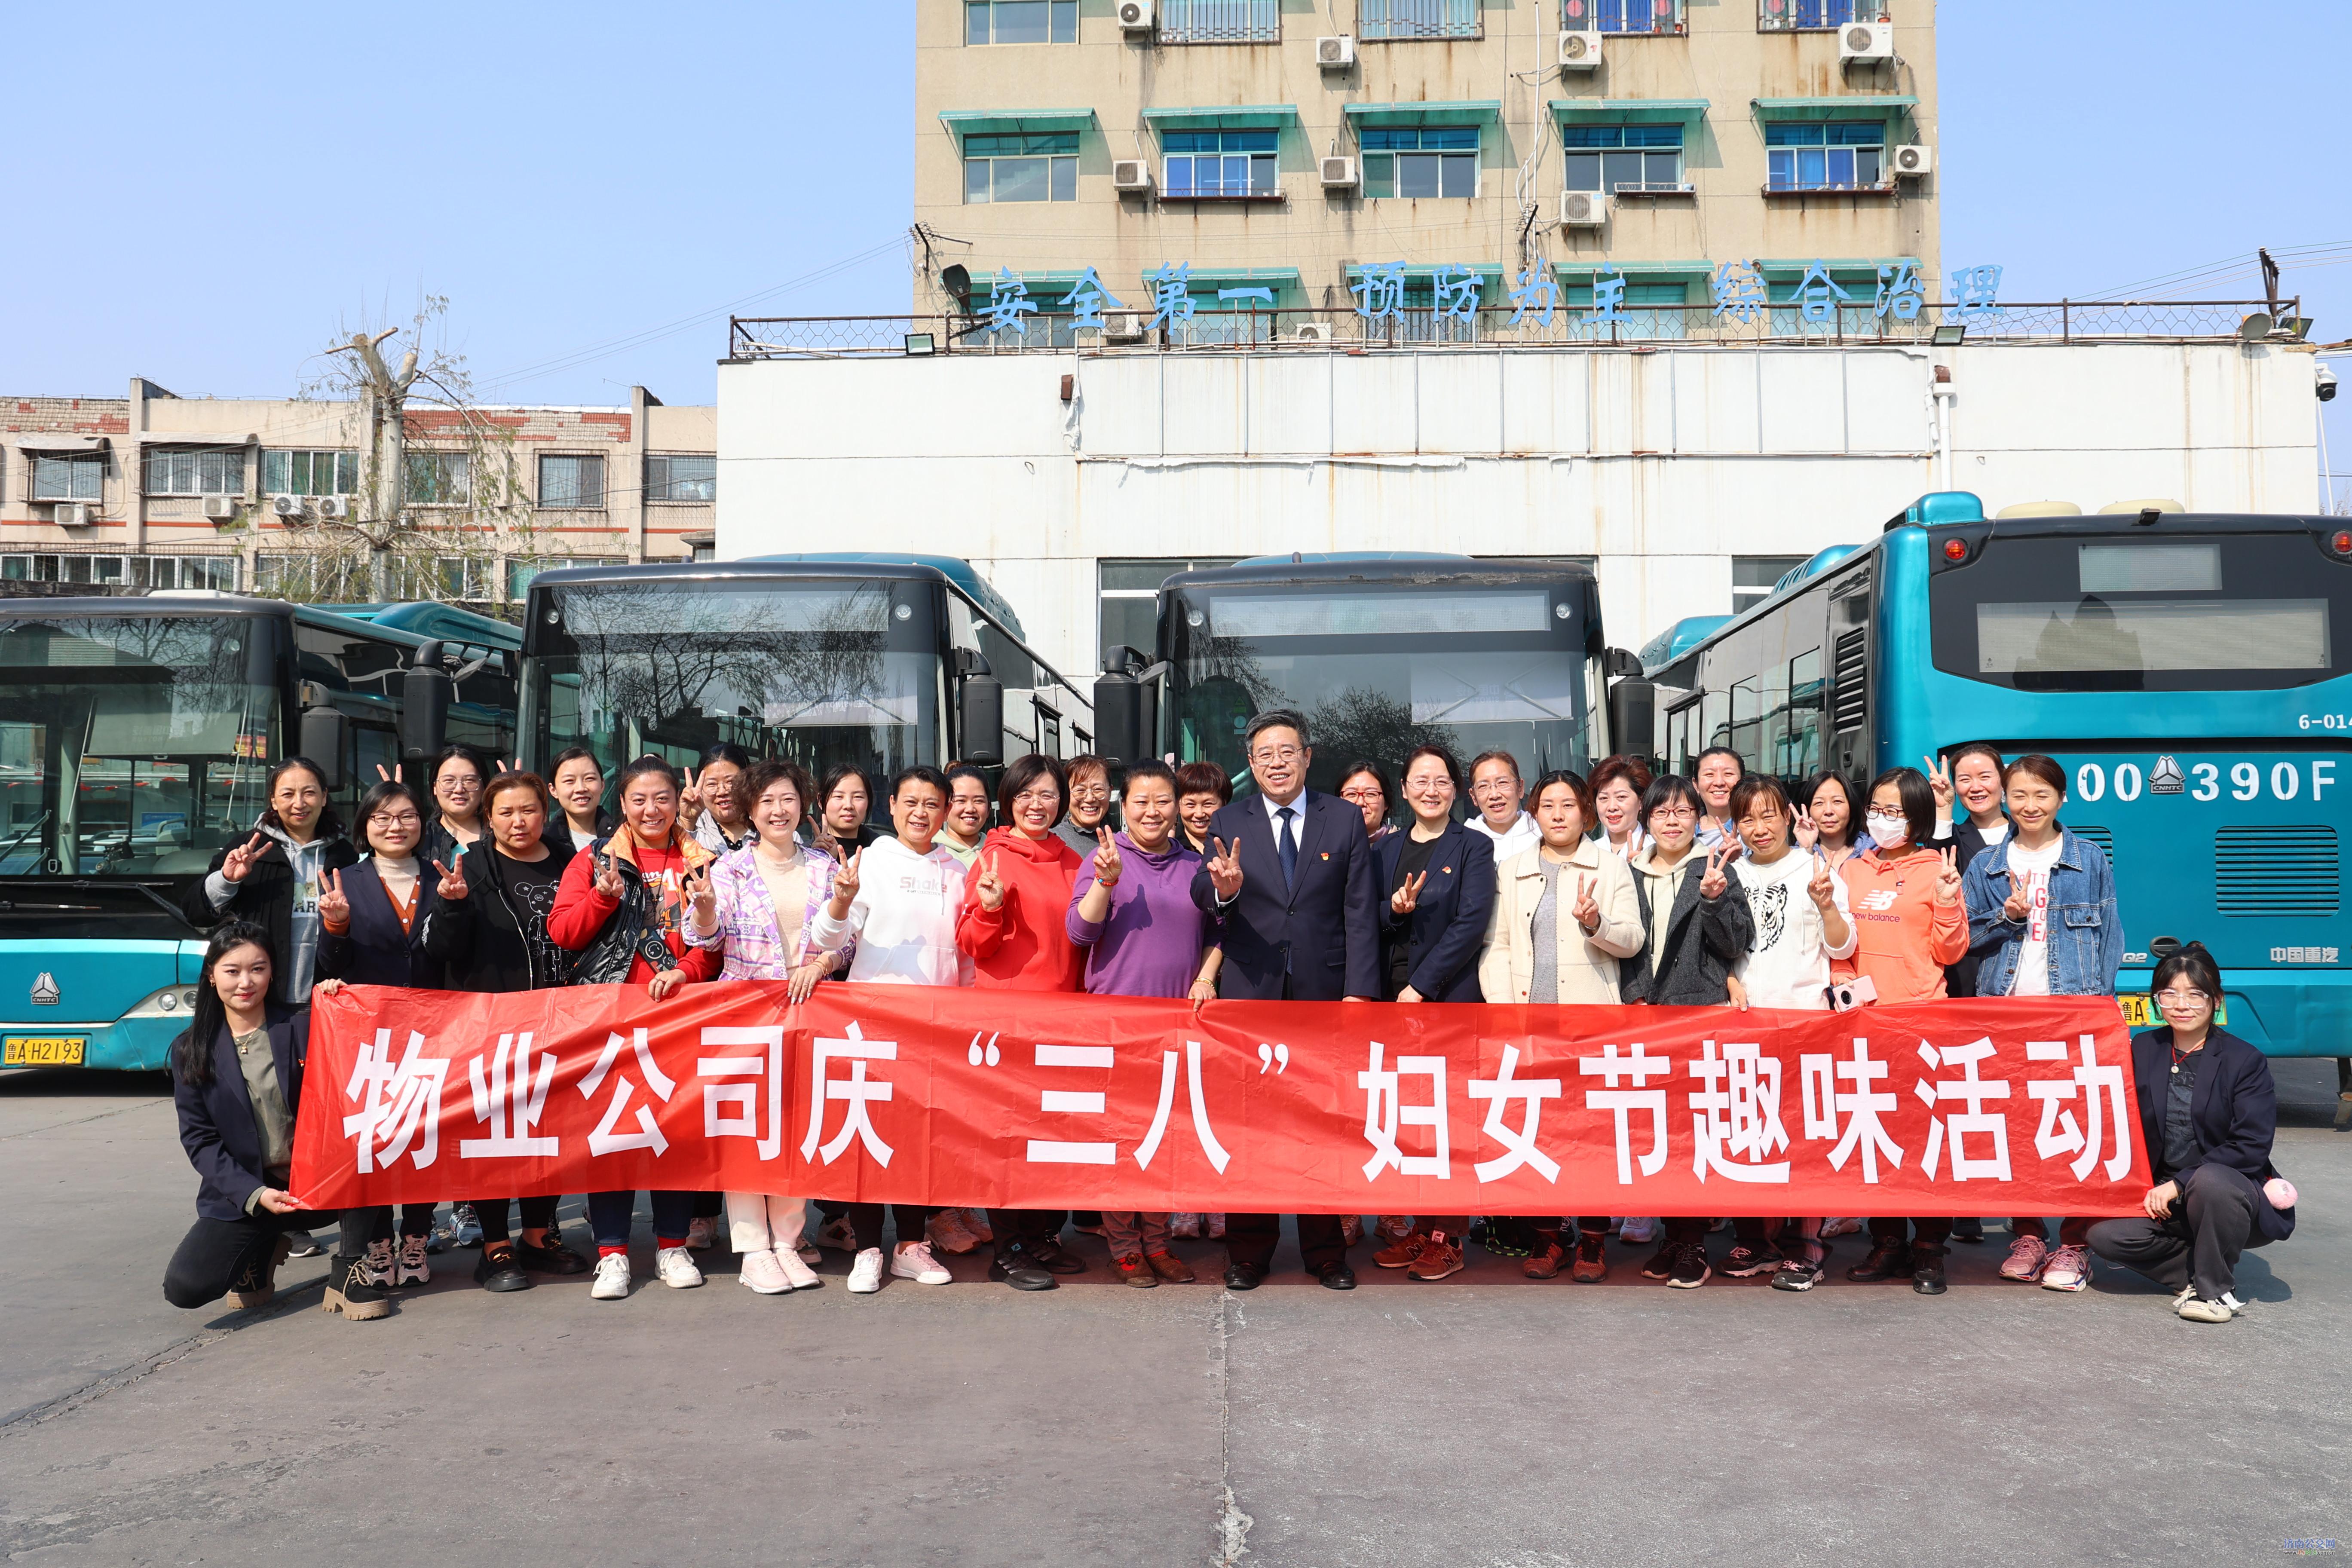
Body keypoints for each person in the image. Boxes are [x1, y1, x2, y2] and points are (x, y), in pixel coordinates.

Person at [1192, 710, 1380, 1292]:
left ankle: (1325, 1252)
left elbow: (1360, 911)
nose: (1277, 763)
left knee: (1322, 1121)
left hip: (1325, 993)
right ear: (1252, 765)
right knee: (1251, 1122)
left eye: (1287, 752)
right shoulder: (1230, 818)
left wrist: (1358, 991)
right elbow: (1203, 888)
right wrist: (1223, 891)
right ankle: (1249, 1252)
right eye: (1265, 755)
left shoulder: (1342, 818)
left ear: (1307, 756)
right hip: (1253, 991)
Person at [547, 756, 722, 1302]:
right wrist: (602, 897)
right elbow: (563, 933)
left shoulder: (703, 861)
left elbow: (721, 942)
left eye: (662, 798)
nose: (652, 810)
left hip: (680, 1018)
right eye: (639, 800)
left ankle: (672, 1246)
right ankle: (613, 1254)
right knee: (613, 1137)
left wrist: (686, 970)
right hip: (613, 1022)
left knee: (676, 1135)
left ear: (678, 802)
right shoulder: (594, 860)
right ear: (621, 804)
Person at [162, 923, 392, 1322]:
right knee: (186, 1288)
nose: (246, 982)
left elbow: (365, 1058)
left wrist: (341, 1001)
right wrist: (254, 1194)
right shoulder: (190, 1049)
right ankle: (261, 1248)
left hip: (321, 1182)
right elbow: (200, 1141)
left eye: (258, 969)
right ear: (211, 975)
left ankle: (349, 1268)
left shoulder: (305, 1023)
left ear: (272, 973)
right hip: (250, 1193)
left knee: (364, 1142)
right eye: (233, 971)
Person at [420, 771, 590, 1290]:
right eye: (506, 813)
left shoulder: (571, 861)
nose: (520, 821)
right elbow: (440, 949)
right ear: (488, 819)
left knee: (548, 1133)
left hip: (561, 1023)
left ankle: (538, 1236)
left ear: (546, 812)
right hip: (492, 1027)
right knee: (493, 1137)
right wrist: (451, 905)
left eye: (529, 810)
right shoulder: (470, 866)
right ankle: (495, 1245)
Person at [1961, 753, 2124, 1292]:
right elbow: (1963, 940)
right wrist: (2006, 915)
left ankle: (2075, 1244)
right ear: (2005, 799)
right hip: (2005, 1015)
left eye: (2042, 795)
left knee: (2079, 1129)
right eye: (2020, 795)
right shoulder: (1985, 866)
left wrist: (2100, 1012)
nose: (2030, 806)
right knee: (2019, 1131)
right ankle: (2029, 1235)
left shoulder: (2089, 859)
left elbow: (2110, 939)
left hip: (2071, 1016)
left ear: (2061, 799)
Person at [807, 764, 971, 1293]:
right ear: (893, 807)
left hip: (935, 1029)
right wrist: (841, 897)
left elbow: (966, 957)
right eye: (911, 803)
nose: (921, 813)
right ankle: (868, 1249)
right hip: (872, 1024)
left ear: (945, 812)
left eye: (932, 804)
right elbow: (828, 937)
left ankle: (910, 1247)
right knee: (868, 1138)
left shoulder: (957, 871)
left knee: (919, 1141)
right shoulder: (871, 861)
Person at [1476, 768, 1642, 1283]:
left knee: (1592, 1136)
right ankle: (1548, 1236)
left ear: (1585, 812)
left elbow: (1633, 940)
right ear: (1534, 813)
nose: (1558, 815)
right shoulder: (1513, 869)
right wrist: (1504, 1011)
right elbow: (1497, 945)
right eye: (1548, 806)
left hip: (1591, 1026)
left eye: (1568, 805)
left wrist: (1596, 923)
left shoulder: (1610, 867)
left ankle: (1592, 1240)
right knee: (1539, 1133)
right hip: (1530, 1026)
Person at [683, 759, 842, 1295]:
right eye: (767, 801)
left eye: (788, 799)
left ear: (803, 804)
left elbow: (845, 940)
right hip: (746, 1014)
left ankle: (788, 1242)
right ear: (750, 811)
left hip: (809, 1013)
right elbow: (706, 939)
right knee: (748, 1132)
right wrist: (705, 910)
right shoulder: (728, 869)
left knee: (798, 1128)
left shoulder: (824, 866)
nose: (778, 810)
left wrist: (822, 963)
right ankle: (754, 1249)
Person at [1065, 761, 1222, 1287]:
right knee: (1123, 1138)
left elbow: (1219, 932)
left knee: (1165, 1138)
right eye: (1141, 802)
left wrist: (1206, 977)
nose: (1152, 812)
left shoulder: (1194, 865)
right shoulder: (1105, 857)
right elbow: (1080, 932)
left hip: (1179, 1025)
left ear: (1176, 806)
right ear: (1123, 806)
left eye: (1162, 801)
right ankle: (1124, 1247)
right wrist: (1105, 882)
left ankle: (1158, 1242)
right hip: (1117, 1026)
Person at [2088, 945, 2296, 1323]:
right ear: (2156, 1000)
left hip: (2227, 1196)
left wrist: (2180, 1183)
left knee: (2211, 1180)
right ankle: (2194, 1273)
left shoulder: (2244, 1060)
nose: (2181, 1005)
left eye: (2195, 994)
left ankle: (2214, 1292)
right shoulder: (2143, 1049)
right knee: (2104, 1235)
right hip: (2163, 1200)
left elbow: (2251, 1146)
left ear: (2216, 1000)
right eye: (2169, 994)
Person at [957, 754, 1094, 1289]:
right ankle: (1009, 1248)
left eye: (1048, 794)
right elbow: (972, 944)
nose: (1038, 805)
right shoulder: (994, 857)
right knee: (1009, 1136)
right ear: (1008, 801)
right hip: (1009, 1019)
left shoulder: (1072, 859)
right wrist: (990, 909)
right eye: (1025, 795)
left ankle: (1039, 1236)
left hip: (1064, 1017)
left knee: (1052, 1133)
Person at [1718, 776, 1855, 1291]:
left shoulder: (1815, 869)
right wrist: (1729, 979)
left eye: (1768, 815)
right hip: (1744, 1026)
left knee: (1803, 1137)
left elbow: (1842, 947)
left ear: (1787, 817)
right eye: (1747, 818)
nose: (1759, 828)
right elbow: (1719, 947)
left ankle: (1807, 1250)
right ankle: (1757, 1240)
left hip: (1804, 1026)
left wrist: (1827, 906)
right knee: (1748, 1133)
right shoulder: (1731, 873)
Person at [1365, 746, 1494, 1283]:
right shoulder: (1384, 850)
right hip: (1391, 1002)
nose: (1431, 790)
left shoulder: (1474, 846)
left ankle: (1450, 1237)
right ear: (1404, 789)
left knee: (1451, 1122)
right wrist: (1393, 911)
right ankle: (1421, 1226)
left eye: (1441, 781)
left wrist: (1422, 986)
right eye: (1420, 781)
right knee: (1411, 1122)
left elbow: (1471, 923)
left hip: (1447, 1001)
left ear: (1456, 790)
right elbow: (1368, 916)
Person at [1838, 766, 1970, 1295]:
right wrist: (1842, 981)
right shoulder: (1853, 870)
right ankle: (1887, 1241)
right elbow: (1837, 942)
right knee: (1877, 1136)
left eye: (1894, 810)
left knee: (1925, 1141)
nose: (1882, 818)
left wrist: (1947, 901)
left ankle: (1930, 1249)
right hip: (1862, 1024)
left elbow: (1951, 953)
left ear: (1916, 817)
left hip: (1921, 1022)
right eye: (1876, 808)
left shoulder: (1936, 869)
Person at [1620, 775, 1755, 1288]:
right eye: (1661, 812)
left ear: (1698, 818)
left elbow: (1737, 943)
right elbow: (1623, 948)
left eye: (1682, 812)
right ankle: (1673, 1237)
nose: (1671, 821)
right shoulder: (1629, 872)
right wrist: (1634, 996)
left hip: (1697, 1016)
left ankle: (1694, 1243)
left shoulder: (1714, 866)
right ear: (1646, 819)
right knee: (1655, 1133)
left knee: (1692, 1134)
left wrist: (1715, 901)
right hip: (1643, 1017)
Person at [313, 780, 442, 1288]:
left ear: (421, 823)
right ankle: (379, 1242)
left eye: (406, 816)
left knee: (425, 1137)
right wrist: (336, 927)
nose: (395, 827)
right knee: (375, 1140)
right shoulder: (345, 881)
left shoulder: (441, 877)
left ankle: (417, 1237)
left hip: (435, 1030)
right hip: (371, 1036)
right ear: (365, 825)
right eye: (382, 818)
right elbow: (331, 964)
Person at [179, 756, 358, 1007]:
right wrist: (228, 880)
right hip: (258, 1002)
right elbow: (196, 913)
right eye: (288, 794)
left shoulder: (345, 855)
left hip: (325, 1000)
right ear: (273, 800)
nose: (299, 803)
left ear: (324, 797)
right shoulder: (249, 849)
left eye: (309, 793)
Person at [1465, 750, 1540, 867]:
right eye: (1483, 786)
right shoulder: (1463, 842)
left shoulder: (1542, 834)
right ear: (1474, 796)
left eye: (1503, 783)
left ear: (1520, 788)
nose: (1494, 795)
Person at [420, 745, 490, 870]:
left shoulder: (500, 834)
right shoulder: (420, 838)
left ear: (484, 786)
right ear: (434, 787)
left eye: (469, 780)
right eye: (449, 781)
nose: (459, 789)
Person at [685, 741, 756, 854]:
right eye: (712, 784)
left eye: (731, 782)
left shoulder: (769, 825)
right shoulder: (694, 830)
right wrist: (688, 821)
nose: (722, 792)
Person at [1793, 771, 1870, 873]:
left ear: (1852, 806)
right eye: (1819, 803)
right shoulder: (1790, 858)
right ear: (1807, 810)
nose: (1829, 811)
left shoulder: (1876, 851)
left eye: (1837, 801)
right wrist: (1806, 850)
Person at [1589, 754, 1653, 863]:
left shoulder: (1656, 851)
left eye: (1621, 797)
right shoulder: (1588, 852)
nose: (1612, 807)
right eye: (1604, 798)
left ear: (1642, 801)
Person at [815, 764, 886, 859]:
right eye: (839, 797)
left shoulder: (881, 850)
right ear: (820, 801)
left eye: (858, 797)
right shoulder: (805, 853)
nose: (849, 806)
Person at [549, 746, 613, 851]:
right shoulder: (544, 845)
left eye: (590, 779)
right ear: (553, 790)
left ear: (602, 785)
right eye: (570, 781)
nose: (581, 789)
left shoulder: (623, 839)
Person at [1053, 753, 1116, 856]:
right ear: (1066, 794)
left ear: (1110, 792)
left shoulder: (1121, 843)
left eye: (1098, 790)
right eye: (1080, 791)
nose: (1090, 799)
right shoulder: (1053, 838)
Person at [939, 763, 994, 868]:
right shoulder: (929, 853)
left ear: (989, 809)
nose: (970, 809)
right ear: (945, 809)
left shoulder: (999, 851)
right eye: (961, 801)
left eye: (978, 801)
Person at [1692, 746, 1745, 851]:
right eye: (1709, 774)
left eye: (1728, 774)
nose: (1719, 782)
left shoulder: (1757, 830)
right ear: (1696, 785)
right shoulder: (1684, 830)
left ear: (1743, 781)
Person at [1175, 760, 1232, 857]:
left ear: (1224, 803)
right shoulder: (1169, 847)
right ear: (1178, 806)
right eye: (1190, 805)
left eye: (1208, 804)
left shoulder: (1240, 842)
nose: (1199, 814)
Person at [1338, 762, 1396, 851]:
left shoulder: (1402, 849)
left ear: (1386, 803)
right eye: (1351, 794)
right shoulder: (1325, 845)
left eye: (1371, 794)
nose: (1361, 802)